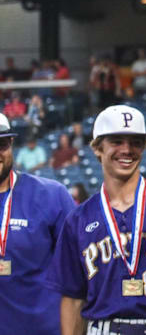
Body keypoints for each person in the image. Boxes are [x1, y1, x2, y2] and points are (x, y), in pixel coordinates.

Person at [45, 105, 146, 335]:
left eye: (135, 142)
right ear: (97, 148)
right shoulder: (78, 219)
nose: (127, 149)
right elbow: (73, 300)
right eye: (116, 141)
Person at [0, 112, 75, 335]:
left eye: (1, 144)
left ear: (12, 143)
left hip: (42, 329)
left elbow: (78, 271)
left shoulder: (51, 195)